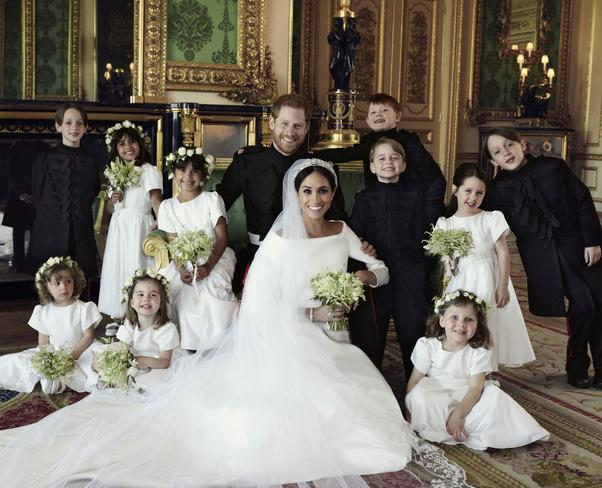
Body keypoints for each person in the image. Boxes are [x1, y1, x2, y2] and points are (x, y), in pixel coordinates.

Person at [0, 159, 416, 488]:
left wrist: (363, 275)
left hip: (336, 336)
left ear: (334, 194)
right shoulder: (279, 236)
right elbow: (261, 299)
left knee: (358, 399)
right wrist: (314, 311)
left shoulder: (341, 230)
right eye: (307, 191)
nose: (316, 199)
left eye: (324, 191)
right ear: (296, 195)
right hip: (293, 333)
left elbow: (382, 270)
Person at [483, 127, 602, 389]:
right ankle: (577, 364)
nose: (506, 152)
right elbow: (482, 217)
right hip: (543, 257)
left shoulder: (553, 167)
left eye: (509, 145)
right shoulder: (498, 188)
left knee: (598, 304)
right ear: (494, 161)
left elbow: (581, 199)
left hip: (580, 245)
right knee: (584, 305)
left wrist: (593, 240)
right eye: (497, 152)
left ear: (522, 144)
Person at [217, 94, 347, 288]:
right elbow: (218, 205)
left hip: (309, 257)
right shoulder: (247, 162)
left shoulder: (320, 167)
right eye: (284, 124)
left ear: (306, 128)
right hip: (260, 256)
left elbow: (338, 217)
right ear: (271, 123)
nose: (290, 132)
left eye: (297, 125)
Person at [405, 290, 549, 450]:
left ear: (477, 325)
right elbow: (415, 380)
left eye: (469, 319)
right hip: (437, 397)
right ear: (442, 320)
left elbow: (475, 388)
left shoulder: (478, 352)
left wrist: (459, 413)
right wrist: (409, 412)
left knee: (495, 396)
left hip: (468, 399)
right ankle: (445, 426)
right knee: (419, 395)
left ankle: (461, 425)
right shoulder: (428, 346)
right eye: (454, 317)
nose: (461, 324)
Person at [435, 162, 535, 370]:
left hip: (488, 277)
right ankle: (463, 368)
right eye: (468, 191)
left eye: (479, 193)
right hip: (460, 279)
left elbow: (502, 252)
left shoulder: (491, 218)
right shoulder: (445, 223)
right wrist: (449, 263)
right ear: (455, 190)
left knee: (487, 322)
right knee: (461, 323)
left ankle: (486, 372)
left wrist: (502, 285)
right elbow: (446, 260)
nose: (473, 197)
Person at [348, 138, 430, 378]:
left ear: (404, 165)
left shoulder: (416, 196)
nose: (388, 162)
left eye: (395, 158)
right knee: (370, 335)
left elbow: (426, 232)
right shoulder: (363, 198)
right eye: (381, 158)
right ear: (372, 166)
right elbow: (355, 232)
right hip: (377, 274)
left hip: (410, 273)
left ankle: (415, 390)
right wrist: (362, 244)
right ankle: (371, 388)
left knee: (413, 333)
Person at [315, 92, 445, 226]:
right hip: (378, 204)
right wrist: (313, 155)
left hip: (409, 203)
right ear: (367, 121)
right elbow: (346, 154)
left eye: (384, 110)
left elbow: (433, 176)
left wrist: (431, 212)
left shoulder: (408, 139)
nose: (378, 114)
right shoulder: (368, 142)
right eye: (373, 112)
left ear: (397, 116)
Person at [0, 256, 102, 394]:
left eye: (68, 281)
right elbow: (43, 342)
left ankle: (64, 380)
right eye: (57, 283)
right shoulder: (43, 312)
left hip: (81, 352)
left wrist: (74, 355)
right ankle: (56, 378)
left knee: (97, 366)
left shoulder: (84, 308)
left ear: (75, 282)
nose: (64, 287)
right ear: (46, 286)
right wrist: (49, 360)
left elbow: (88, 336)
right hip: (56, 353)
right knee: (23, 362)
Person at [158, 147, 238, 350]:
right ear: (174, 173)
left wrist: (209, 266)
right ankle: (188, 344)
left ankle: (218, 343)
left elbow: (222, 238)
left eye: (194, 171)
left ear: (203, 175)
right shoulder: (167, 206)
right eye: (182, 170)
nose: (188, 176)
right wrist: (181, 268)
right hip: (183, 260)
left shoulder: (212, 199)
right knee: (181, 296)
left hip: (215, 256)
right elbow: (174, 243)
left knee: (212, 295)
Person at [25, 104, 101, 278]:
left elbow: (92, 192)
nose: (74, 128)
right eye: (68, 123)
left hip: (81, 229)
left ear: (85, 127)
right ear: (58, 126)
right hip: (49, 228)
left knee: (80, 277)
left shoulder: (90, 160)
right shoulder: (44, 158)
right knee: (50, 278)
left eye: (79, 123)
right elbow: (37, 194)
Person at [97, 121, 163, 319]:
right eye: (122, 144)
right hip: (119, 227)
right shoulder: (115, 174)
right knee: (118, 268)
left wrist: (161, 226)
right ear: (115, 149)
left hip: (138, 226)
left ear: (140, 145)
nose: (128, 147)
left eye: (132, 142)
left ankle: (139, 315)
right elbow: (110, 209)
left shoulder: (148, 171)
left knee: (136, 265)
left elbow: (156, 202)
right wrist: (112, 200)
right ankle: (119, 315)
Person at [95, 269, 181, 394]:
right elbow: (123, 347)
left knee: (147, 381)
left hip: (155, 363)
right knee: (99, 356)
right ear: (132, 303)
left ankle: (129, 384)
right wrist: (118, 361)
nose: (146, 298)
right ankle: (111, 377)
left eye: (153, 295)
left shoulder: (166, 329)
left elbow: (165, 362)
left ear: (161, 303)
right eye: (140, 294)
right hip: (134, 359)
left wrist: (142, 361)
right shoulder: (130, 324)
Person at [2, 141, 48, 272]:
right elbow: (12, 171)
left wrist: (35, 193)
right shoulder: (17, 146)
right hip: (21, 193)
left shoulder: (43, 147)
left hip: (36, 193)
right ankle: (20, 262)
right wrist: (21, 192)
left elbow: (45, 171)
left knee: (35, 230)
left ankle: (32, 262)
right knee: (20, 230)